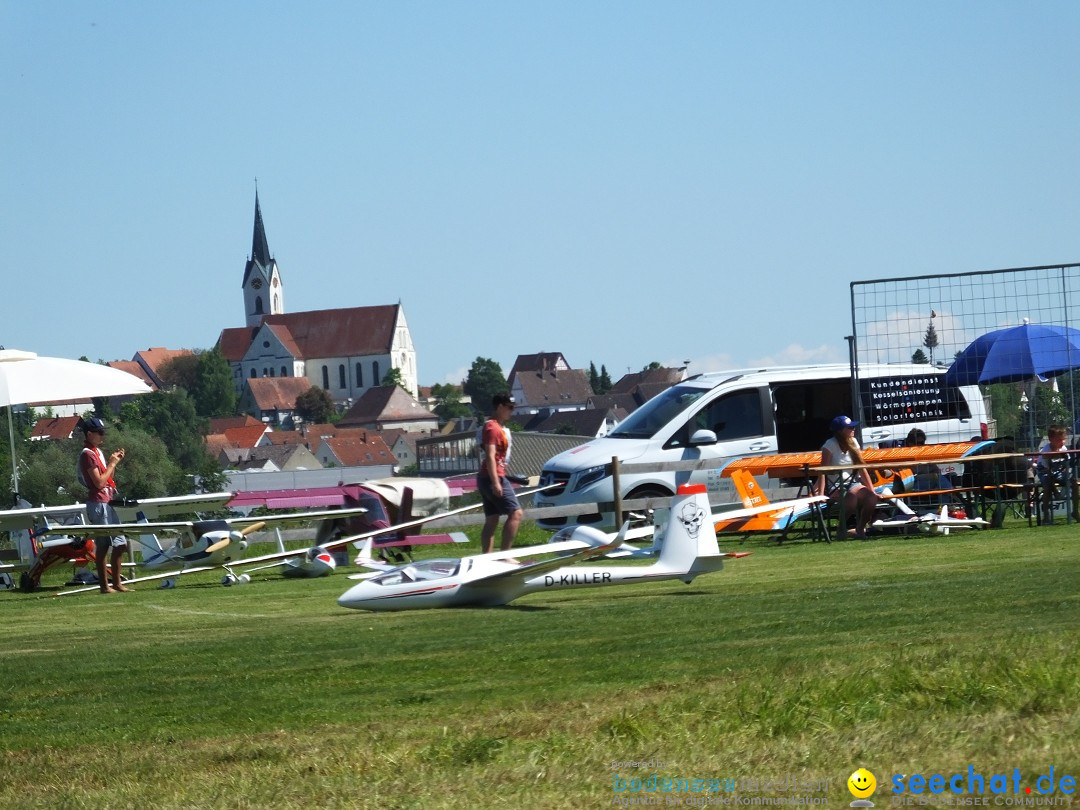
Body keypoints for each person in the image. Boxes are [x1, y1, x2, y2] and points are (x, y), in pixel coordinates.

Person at [77, 416, 130, 593]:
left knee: (120, 543)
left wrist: (112, 463)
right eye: (99, 433)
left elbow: (108, 478)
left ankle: (116, 583)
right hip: (98, 503)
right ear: (89, 434)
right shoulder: (87, 455)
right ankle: (105, 585)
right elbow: (99, 483)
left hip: (106, 501)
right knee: (104, 544)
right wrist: (112, 463)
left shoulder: (96, 452)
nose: (102, 436)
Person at [815, 414, 879, 539]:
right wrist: (820, 494)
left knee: (871, 499)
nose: (853, 429)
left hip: (852, 484)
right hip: (835, 485)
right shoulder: (829, 445)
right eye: (849, 427)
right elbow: (822, 471)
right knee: (852, 498)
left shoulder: (854, 442)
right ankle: (841, 529)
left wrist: (872, 490)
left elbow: (861, 468)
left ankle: (859, 529)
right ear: (840, 431)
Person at [477, 393, 523, 555]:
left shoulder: (496, 428)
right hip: (492, 477)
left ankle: (487, 559)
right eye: (509, 408)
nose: (511, 411)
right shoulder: (492, 428)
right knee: (516, 513)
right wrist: (496, 482)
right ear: (499, 407)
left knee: (492, 519)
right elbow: (490, 455)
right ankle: (505, 556)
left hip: (486, 477)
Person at [1035, 424, 1080, 524]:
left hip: (1058, 471)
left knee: (1074, 482)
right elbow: (1047, 470)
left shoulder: (1063, 448)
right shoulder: (1046, 451)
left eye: (1063, 439)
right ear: (1051, 439)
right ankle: (1046, 515)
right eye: (1059, 440)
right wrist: (1055, 490)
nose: (1062, 442)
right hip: (1044, 472)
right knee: (1047, 486)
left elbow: (1066, 464)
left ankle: (1075, 511)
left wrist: (1065, 473)